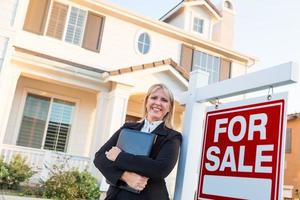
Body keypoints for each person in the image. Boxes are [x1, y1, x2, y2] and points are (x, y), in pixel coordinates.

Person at [94, 83, 182, 200]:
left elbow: (160, 169)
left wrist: (119, 157)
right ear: (146, 102)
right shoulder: (127, 128)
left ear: (170, 107)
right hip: (116, 195)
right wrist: (124, 176)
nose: (158, 103)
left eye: (164, 100)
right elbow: (99, 158)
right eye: (154, 97)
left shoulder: (172, 136)